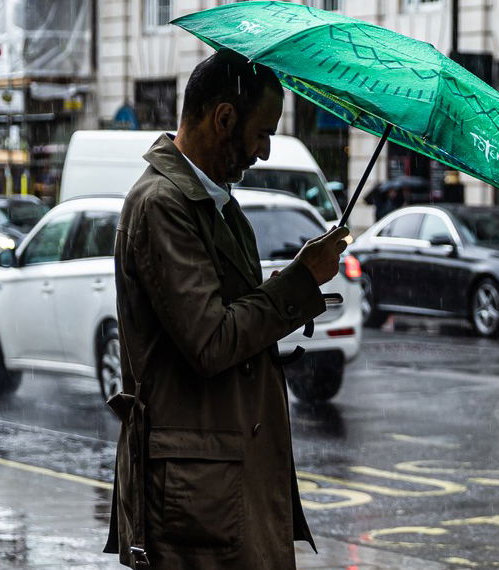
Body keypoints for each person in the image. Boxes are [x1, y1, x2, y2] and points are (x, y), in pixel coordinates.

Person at [105, 50, 350, 569]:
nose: (262, 152)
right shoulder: (161, 205)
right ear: (224, 119)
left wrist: (295, 278)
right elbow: (212, 340)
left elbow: (235, 317)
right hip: (199, 501)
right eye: (261, 133)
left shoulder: (216, 206)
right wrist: (301, 282)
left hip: (223, 482)